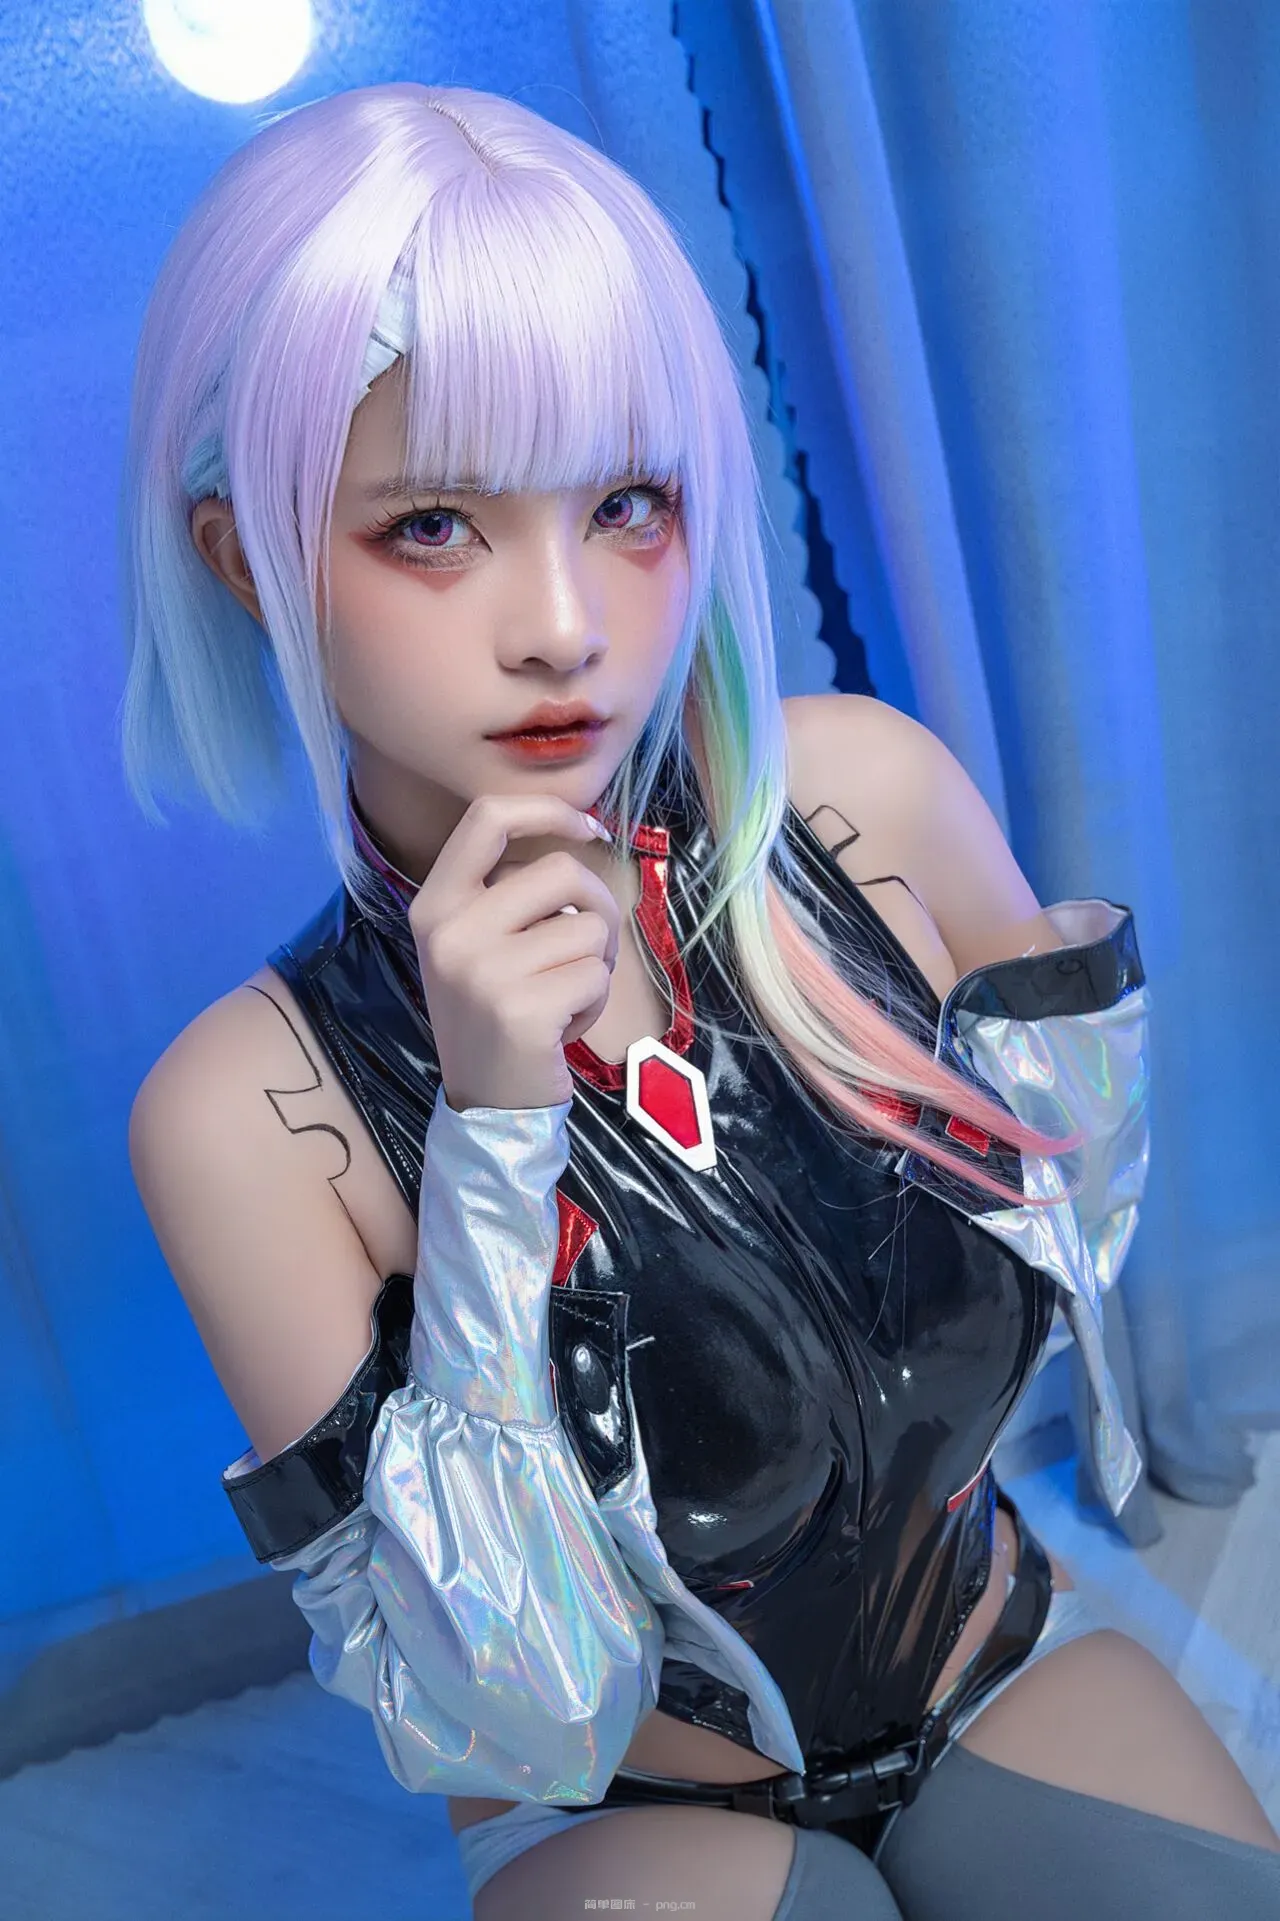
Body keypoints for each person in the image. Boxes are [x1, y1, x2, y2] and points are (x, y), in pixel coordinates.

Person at [120, 81, 1280, 1920]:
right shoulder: (243, 1115)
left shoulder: (865, 801)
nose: (563, 624)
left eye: (628, 503)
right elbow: (504, 1706)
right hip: (616, 1809)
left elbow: (1078, 1231)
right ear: (247, 555)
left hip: (1001, 1667)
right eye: (435, 525)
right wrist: (495, 1143)